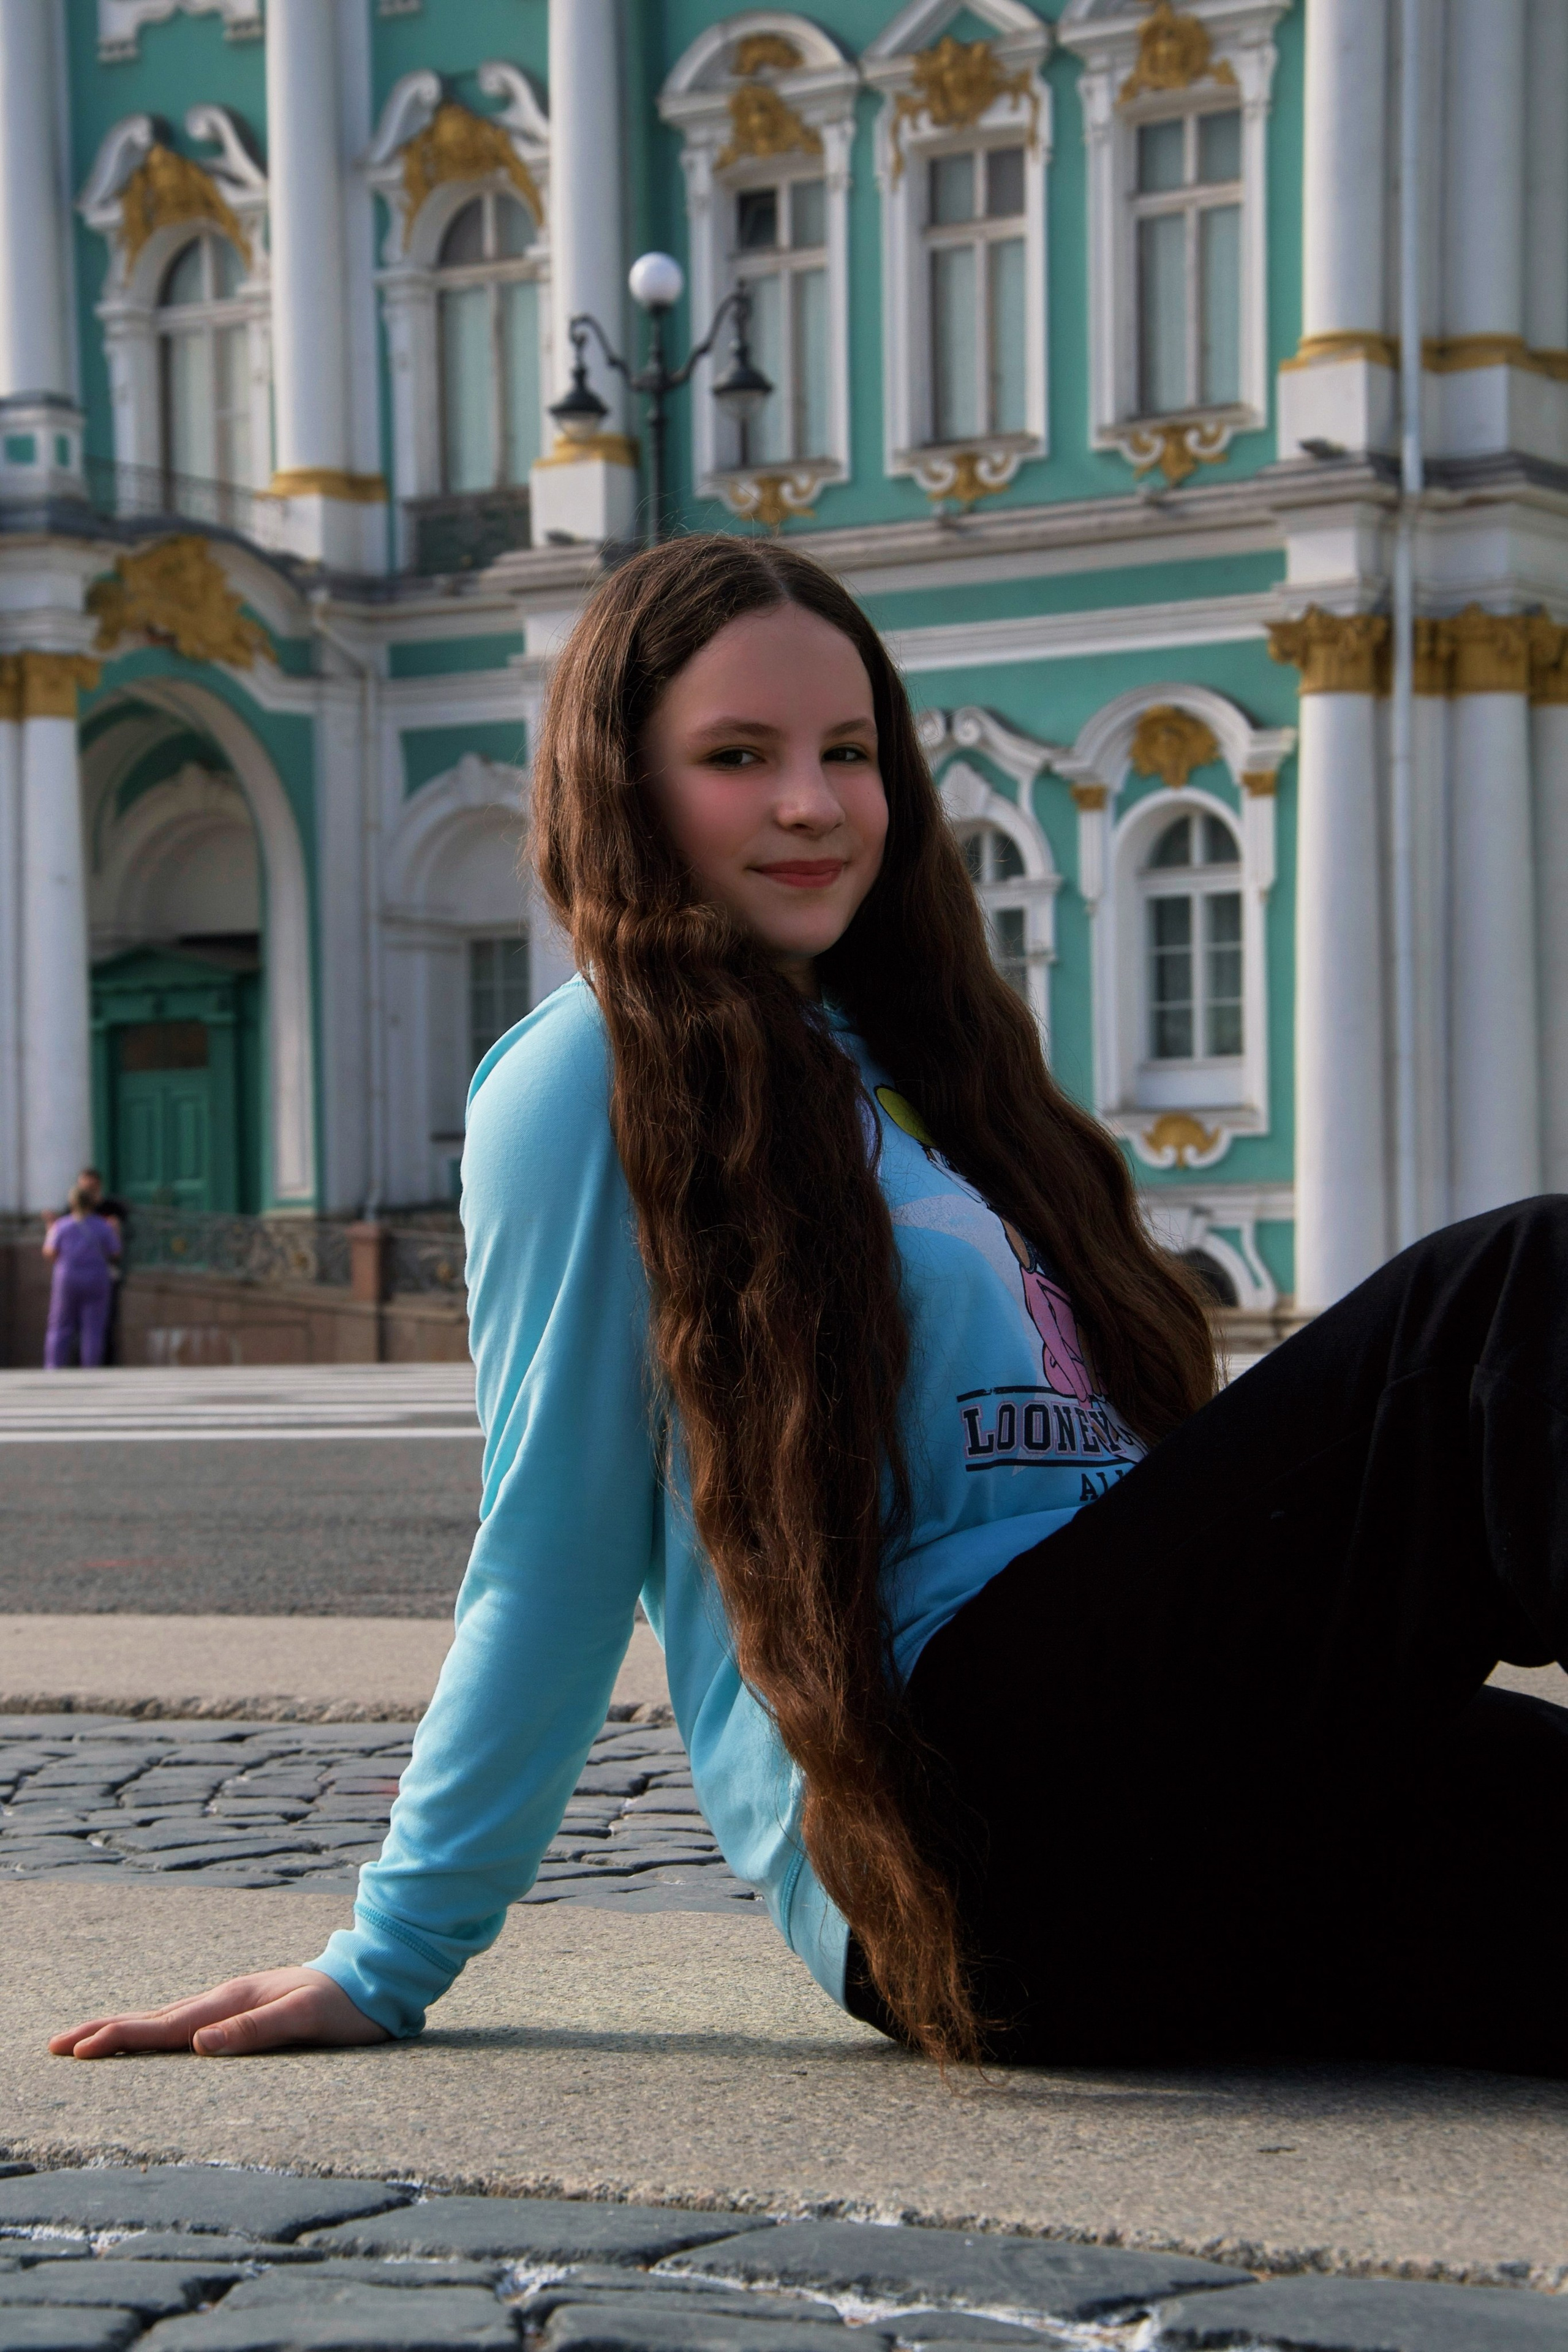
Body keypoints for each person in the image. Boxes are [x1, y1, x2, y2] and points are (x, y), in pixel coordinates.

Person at [49, 537, 1568, 2076]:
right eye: (735, 756)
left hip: (1167, 1781)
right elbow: (550, 1555)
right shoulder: (587, 1076)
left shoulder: (928, 1072)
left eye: (847, 752)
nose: (810, 801)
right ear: (624, 787)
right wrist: (388, 1950)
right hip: (962, 1822)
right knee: (1517, 1294)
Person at [42, 1180, 121, 1370]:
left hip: (67, 1276)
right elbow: (115, 1253)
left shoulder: (61, 1225)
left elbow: (50, 1251)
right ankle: (90, 1368)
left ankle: (54, 1367)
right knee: (93, 1327)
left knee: (60, 1325)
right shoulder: (103, 1226)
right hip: (96, 1277)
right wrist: (115, 1230)